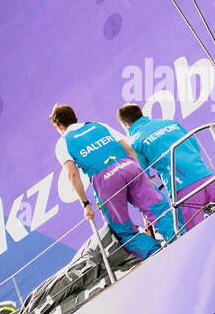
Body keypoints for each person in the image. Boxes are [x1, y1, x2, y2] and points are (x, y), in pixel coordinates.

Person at [49, 104, 171, 260]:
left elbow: (73, 174)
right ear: (75, 117)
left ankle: (156, 255)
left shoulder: (63, 142)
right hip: (130, 167)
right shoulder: (98, 125)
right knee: (159, 210)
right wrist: (143, 174)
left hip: (106, 181)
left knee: (123, 229)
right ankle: (180, 237)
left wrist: (86, 205)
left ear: (59, 127)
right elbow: (129, 149)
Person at [117, 104, 215, 233]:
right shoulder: (170, 123)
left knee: (197, 236)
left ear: (126, 124)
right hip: (207, 177)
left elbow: (142, 174)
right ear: (140, 113)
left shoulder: (135, 142)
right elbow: (195, 146)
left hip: (182, 189)